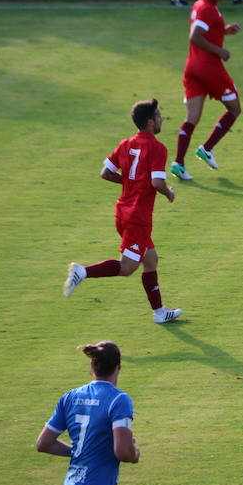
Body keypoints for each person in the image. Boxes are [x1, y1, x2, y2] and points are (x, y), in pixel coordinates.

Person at [64, 98, 182, 324]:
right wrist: (168, 193)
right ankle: (82, 272)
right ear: (150, 122)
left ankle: (159, 312)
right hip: (138, 217)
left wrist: (131, 182)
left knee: (151, 259)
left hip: (123, 211)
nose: (161, 120)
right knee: (128, 267)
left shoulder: (126, 144)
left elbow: (105, 173)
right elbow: (157, 183)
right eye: (159, 116)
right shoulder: (157, 148)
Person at [36, 341, 140, 485]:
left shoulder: (70, 397)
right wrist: (134, 453)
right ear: (119, 366)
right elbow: (123, 452)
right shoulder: (119, 399)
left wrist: (84, 451)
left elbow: (44, 443)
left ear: (92, 364)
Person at [170, 0, 243, 181]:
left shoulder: (200, 5)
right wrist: (220, 51)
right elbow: (195, 36)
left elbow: (205, 30)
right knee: (235, 108)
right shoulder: (208, 9)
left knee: (191, 118)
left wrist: (224, 31)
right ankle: (207, 149)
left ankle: (178, 164)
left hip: (191, 68)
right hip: (210, 69)